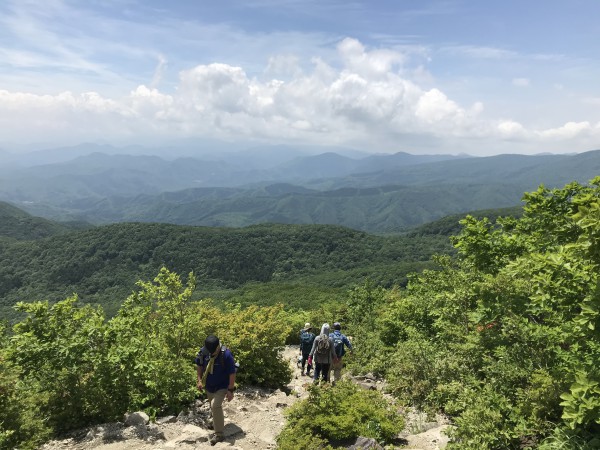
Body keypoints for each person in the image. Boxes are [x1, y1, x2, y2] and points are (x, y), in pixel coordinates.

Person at [195, 335, 237, 446]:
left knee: (215, 405)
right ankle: (216, 423)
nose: (211, 353)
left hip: (222, 386)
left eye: (213, 351)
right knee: (213, 406)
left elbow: (232, 373)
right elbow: (199, 365)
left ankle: (219, 435)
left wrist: (230, 390)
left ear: (218, 347)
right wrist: (199, 380)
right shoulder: (203, 352)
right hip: (209, 386)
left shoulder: (226, 355)